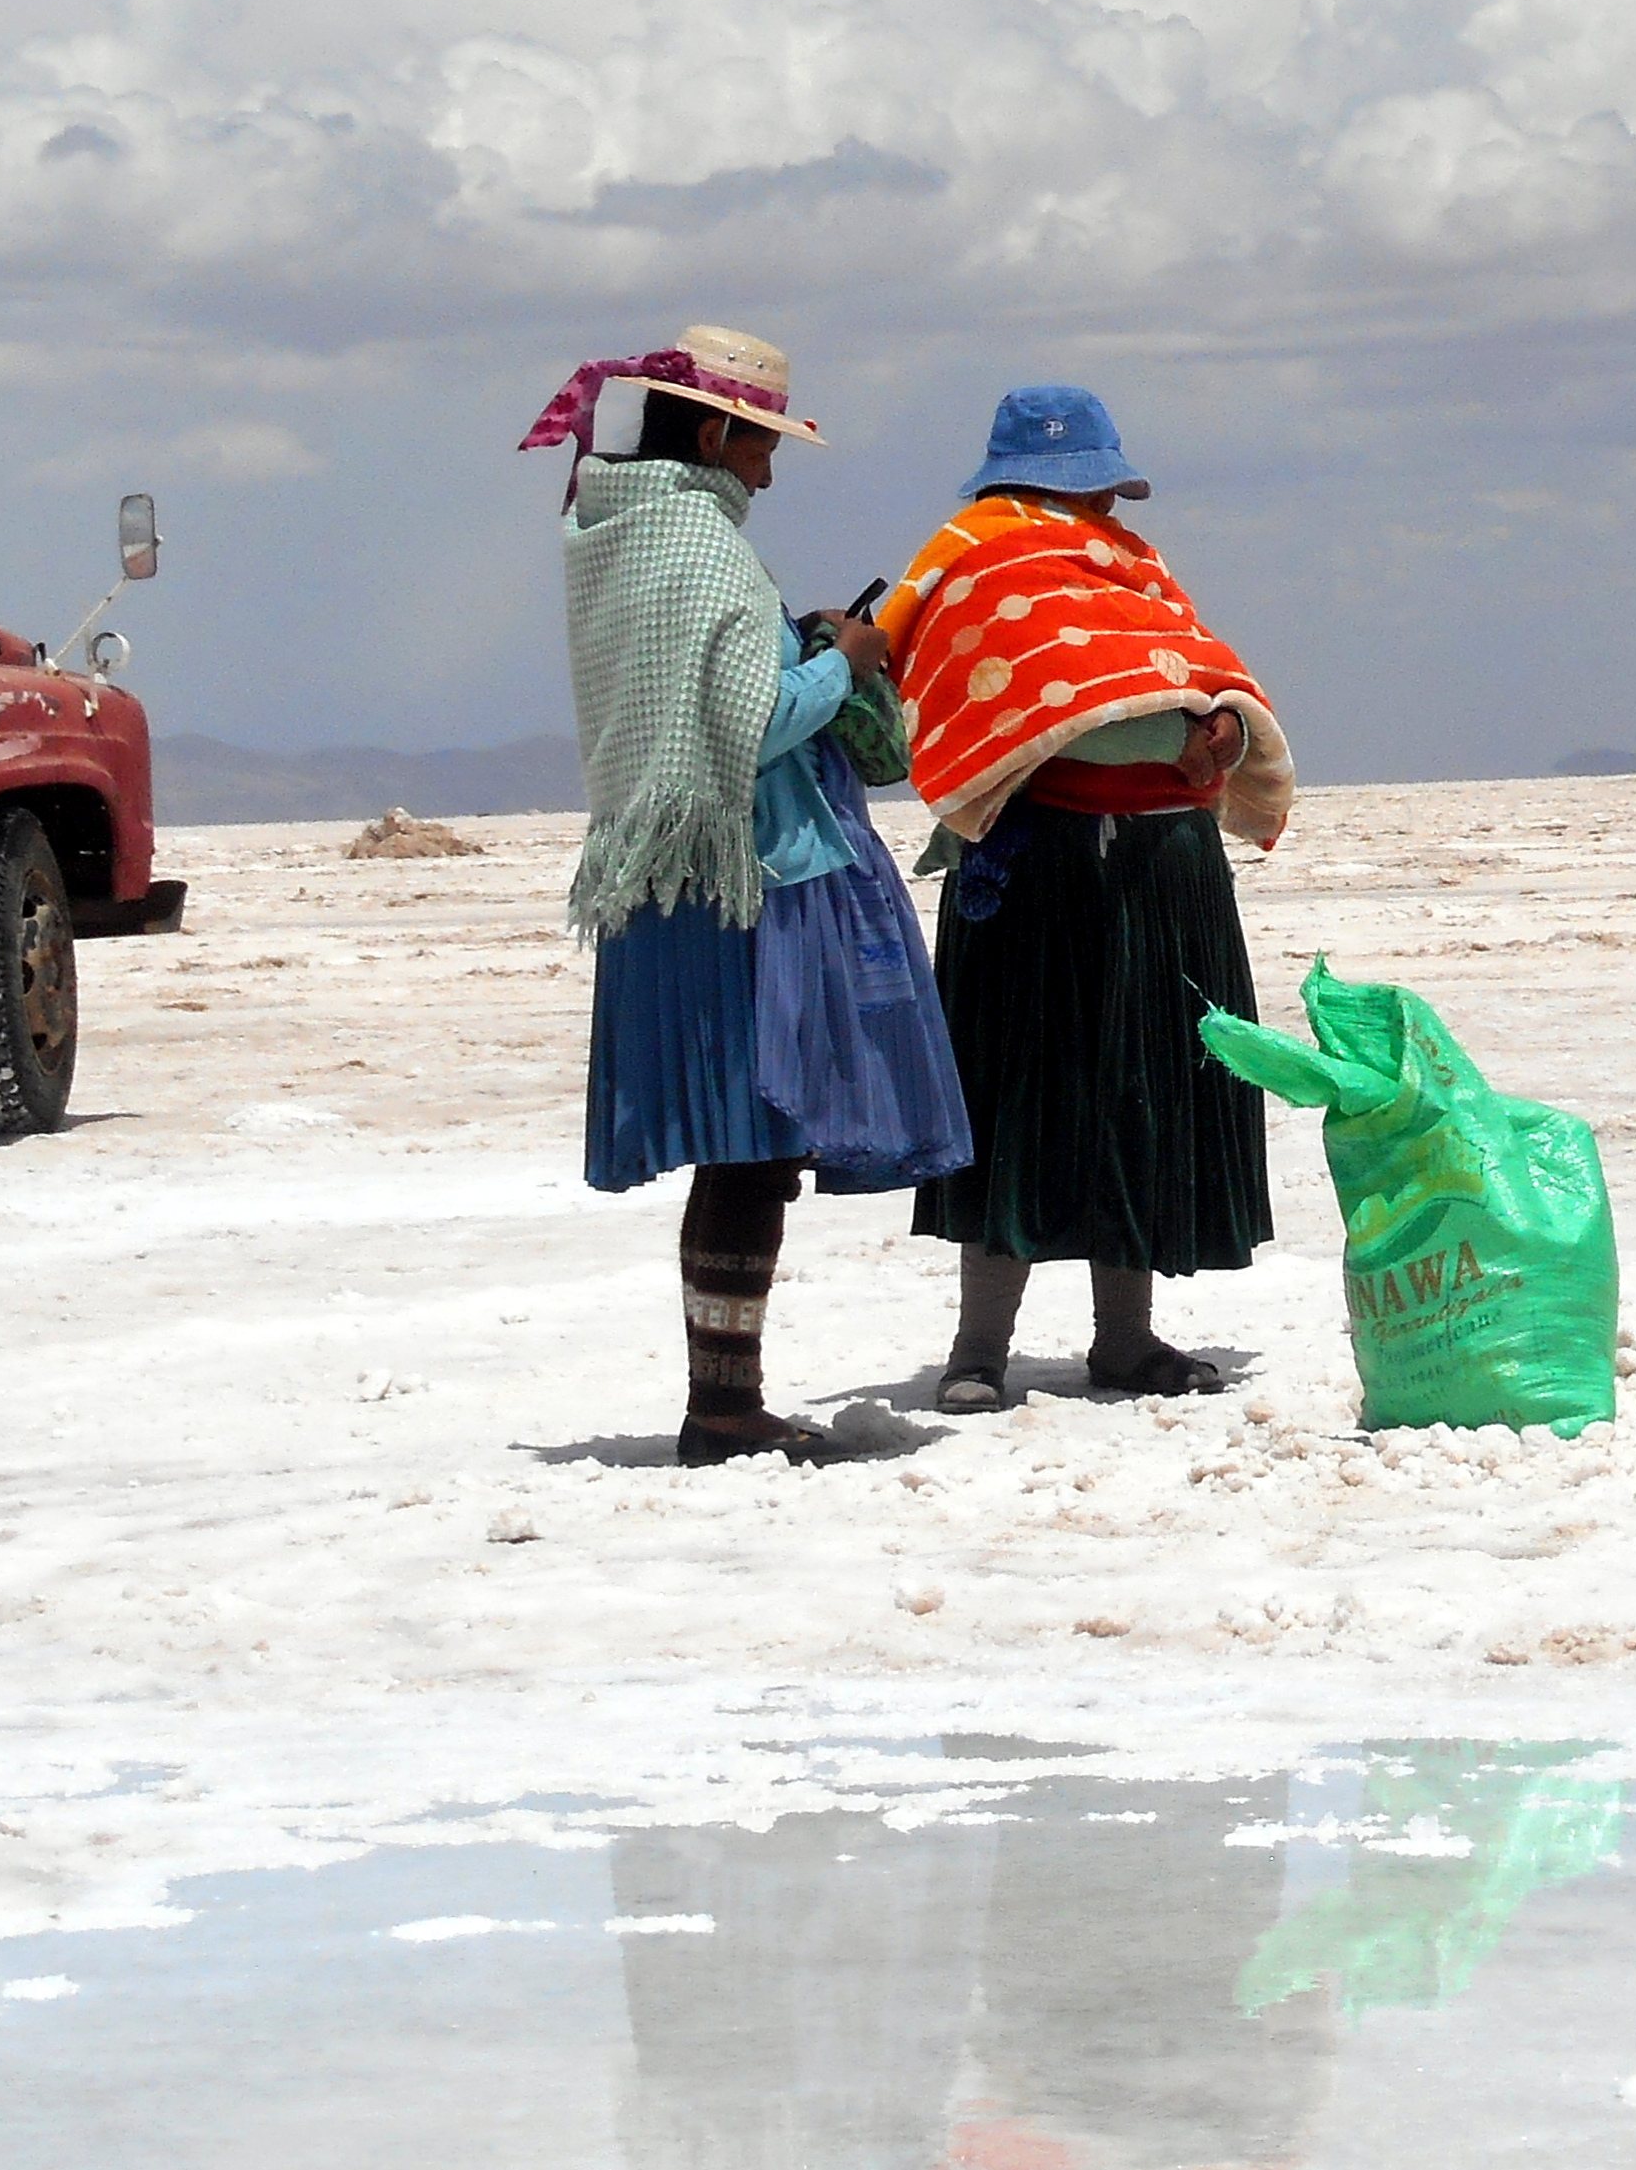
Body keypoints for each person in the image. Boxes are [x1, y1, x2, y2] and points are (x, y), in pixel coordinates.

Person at [523, 325, 972, 1466]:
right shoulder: (702, 546)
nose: (767, 471)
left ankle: (724, 1399)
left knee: (743, 1148)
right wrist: (846, 662)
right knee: (746, 1148)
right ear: (717, 433)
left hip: (667, 875)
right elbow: (753, 724)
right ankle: (722, 1410)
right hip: (746, 881)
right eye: (762, 445)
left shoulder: (613, 533)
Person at [872, 387, 1297, 1412]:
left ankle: (1126, 1336)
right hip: (1038, 868)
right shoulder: (978, 565)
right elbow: (1027, 712)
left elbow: (1198, 678)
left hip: (1161, 866)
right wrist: (1176, 740)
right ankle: (979, 1347)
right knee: (1018, 1089)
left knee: (1141, 1085)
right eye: (1084, 486)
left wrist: (1223, 737)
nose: (1095, 507)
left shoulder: (1131, 564)